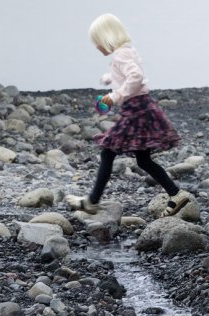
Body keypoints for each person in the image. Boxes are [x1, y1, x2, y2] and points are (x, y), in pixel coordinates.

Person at [65, 13, 190, 217]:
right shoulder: (127, 51)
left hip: (135, 110)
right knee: (143, 160)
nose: (97, 48)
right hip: (143, 107)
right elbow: (132, 73)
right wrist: (111, 78)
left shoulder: (120, 54)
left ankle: (92, 201)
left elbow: (136, 77)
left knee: (107, 151)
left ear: (107, 38)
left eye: (97, 43)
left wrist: (116, 95)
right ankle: (176, 194)